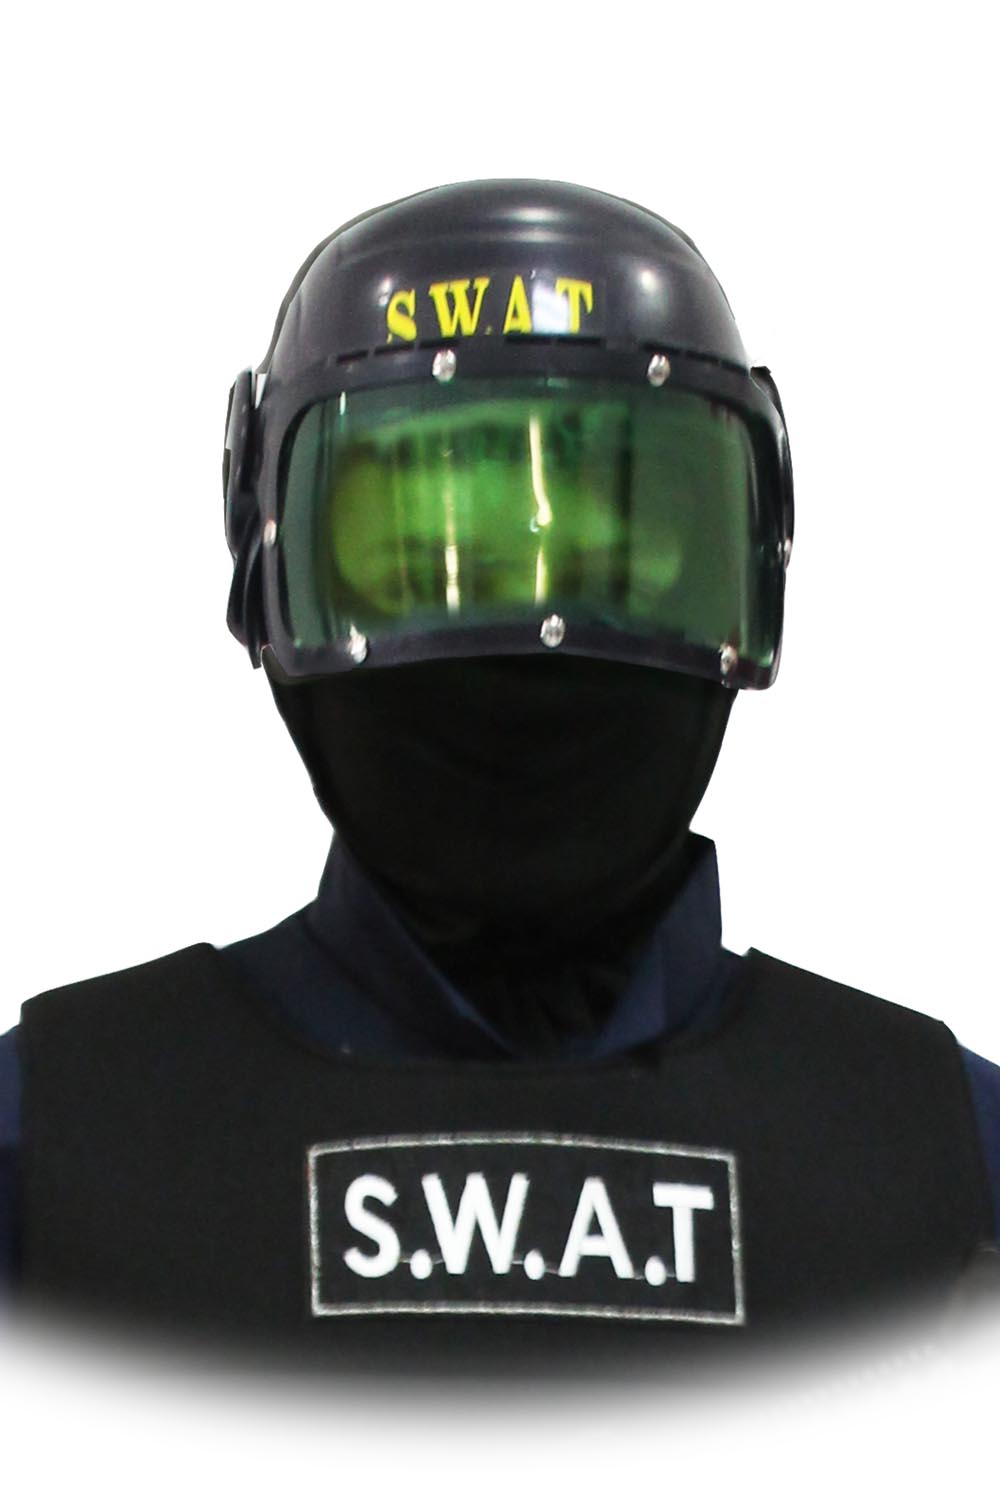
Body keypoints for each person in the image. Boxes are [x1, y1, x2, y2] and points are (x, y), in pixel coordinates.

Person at [2, 179, 998, 1352]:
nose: (531, 607)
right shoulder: (46, 1142)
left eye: (615, 529)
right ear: (274, 571)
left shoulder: (955, 1163)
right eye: (424, 540)